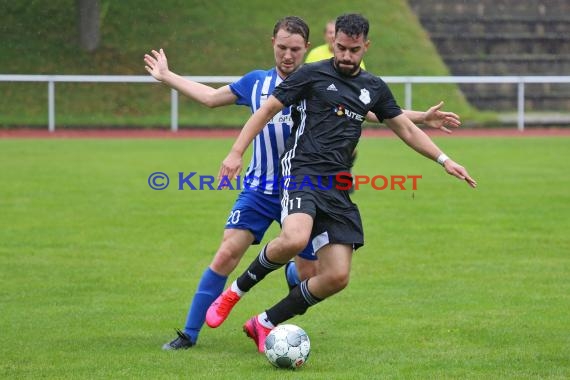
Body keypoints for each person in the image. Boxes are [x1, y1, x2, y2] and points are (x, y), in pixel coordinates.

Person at [145, 15, 461, 351]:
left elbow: (371, 110)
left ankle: (282, 290)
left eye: (295, 49)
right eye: (282, 47)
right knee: (227, 253)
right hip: (265, 188)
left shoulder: (319, 82)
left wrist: (421, 118)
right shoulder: (260, 83)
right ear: (272, 44)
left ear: (306, 49)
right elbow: (209, 97)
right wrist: (168, 77)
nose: (287, 55)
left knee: (316, 273)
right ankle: (190, 334)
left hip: (311, 191)